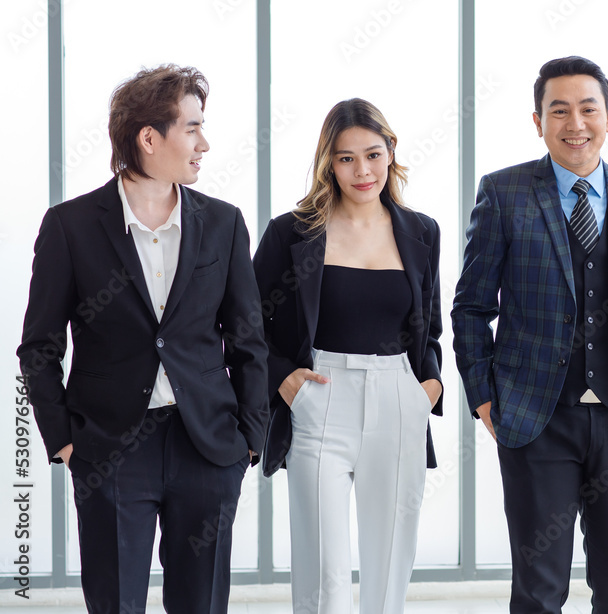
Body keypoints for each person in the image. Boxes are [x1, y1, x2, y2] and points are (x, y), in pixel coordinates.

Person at [17, 65, 267, 613]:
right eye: (193, 128)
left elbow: (248, 338)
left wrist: (250, 438)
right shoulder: (70, 225)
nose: (205, 143)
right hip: (108, 448)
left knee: (200, 604)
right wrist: (63, 438)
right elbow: (39, 346)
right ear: (149, 139)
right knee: (116, 603)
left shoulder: (224, 223)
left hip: (206, 445)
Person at [452, 56, 608, 613]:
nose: (575, 123)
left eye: (588, 109)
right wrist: (485, 397)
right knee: (538, 592)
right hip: (537, 420)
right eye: (558, 110)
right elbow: (470, 308)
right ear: (537, 121)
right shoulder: (505, 193)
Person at [253, 98, 443, 614]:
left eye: (373, 155)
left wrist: (429, 387)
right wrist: (283, 379)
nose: (362, 171)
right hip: (319, 397)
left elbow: (430, 328)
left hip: (398, 397)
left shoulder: (421, 231)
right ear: (328, 163)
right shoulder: (290, 232)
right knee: (323, 569)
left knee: (389, 565)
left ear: (391, 154)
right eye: (345, 158)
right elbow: (244, 326)